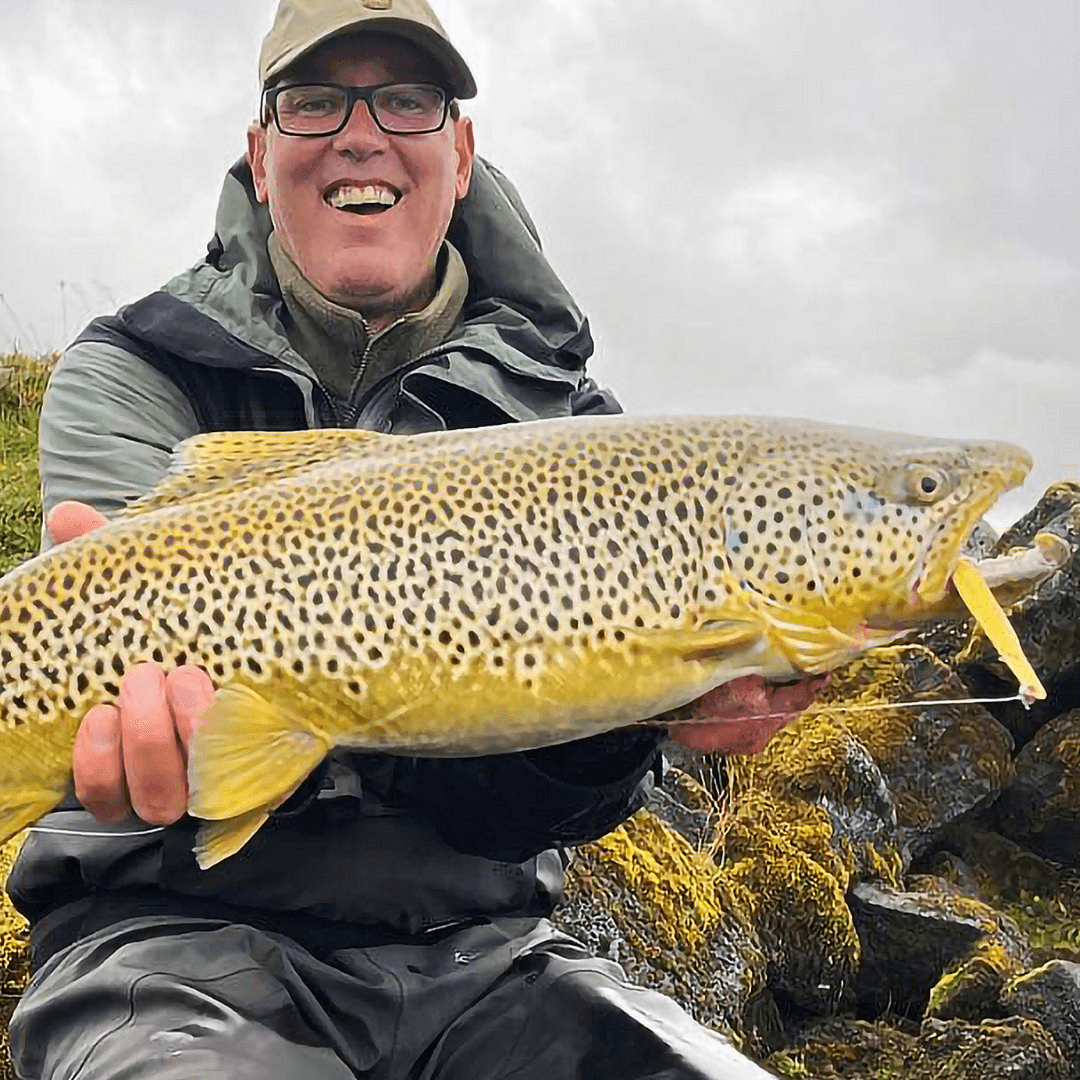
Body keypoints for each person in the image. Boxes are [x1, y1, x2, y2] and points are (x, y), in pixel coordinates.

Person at [7, 3, 821, 1076]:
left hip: (492, 957)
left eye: (406, 99)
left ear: (461, 153)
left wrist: (623, 713)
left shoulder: (570, 422)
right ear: (260, 157)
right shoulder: (134, 366)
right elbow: (148, 707)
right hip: (164, 941)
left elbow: (562, 806)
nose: (361, 135)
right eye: (315, 102)